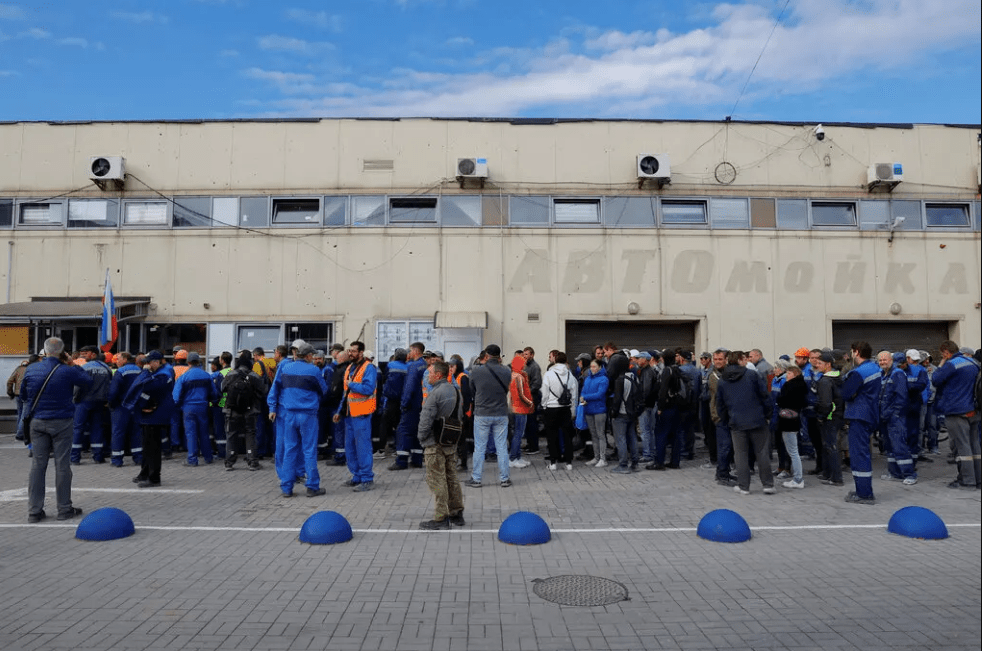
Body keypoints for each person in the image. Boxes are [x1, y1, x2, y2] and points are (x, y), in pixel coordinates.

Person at [22, 337, 92, 523]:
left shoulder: (31, 369)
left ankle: (34, 511)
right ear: (62, 352)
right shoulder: (67, 370)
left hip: (37, 421)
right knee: (62, 465)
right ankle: (64, 509)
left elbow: (23, 395)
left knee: (38, 465)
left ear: (44, 351)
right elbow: (87, 381)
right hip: (62, 421)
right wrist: (71, 363)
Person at [269, 342, 329, 498]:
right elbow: (324, 390)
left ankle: (286, 487)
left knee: (289, 449)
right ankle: (312, 486)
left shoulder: (285, 368)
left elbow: (276, 388)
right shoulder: (314, 370)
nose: (313, 358)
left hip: (288, 414)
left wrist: (272, 407)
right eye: (312, 355)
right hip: (308, 415)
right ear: (308, 356)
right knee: (309, 450)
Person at [715, 350, 775, 495]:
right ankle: (767, 485)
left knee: (740, 455)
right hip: (757, 419)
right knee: (762, 453)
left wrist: (726, 419)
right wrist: (768, 414)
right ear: (740, 360)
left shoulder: (722, 379)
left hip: (736, 421)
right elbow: (765, 396)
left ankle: (744, 486)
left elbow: (719, 404)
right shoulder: (752, 375)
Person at [417, 360, 466, 529]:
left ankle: (441, 518)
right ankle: (456, 512)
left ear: (438, 375)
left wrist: (422, 438)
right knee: (452, 477)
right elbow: (460, 416)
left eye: (430, 373)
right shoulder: (456, 391)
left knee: (437, 480)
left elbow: (425, 420)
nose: (428, 377)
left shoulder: (435, 394)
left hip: (434, 442)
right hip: (450, 441)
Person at [931, 340, 981, 489]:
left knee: (962, 446)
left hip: (956, 410)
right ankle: (978, 479)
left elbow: (935, 380)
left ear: (946, 352)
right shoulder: (973, 362)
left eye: (942, 354)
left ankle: (967, 481)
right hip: (974, 409)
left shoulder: (951, 364)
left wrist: (941, 363)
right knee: (975, 446)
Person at [124, 350, 175, 488]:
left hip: (156, 414)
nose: (146, 365)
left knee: (152, 448)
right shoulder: (159, 372)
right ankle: (145, 473)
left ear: (156, 362)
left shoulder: (163, 374)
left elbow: (145, 386)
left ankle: (154, 478)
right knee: (147, 446)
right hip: (151, 414)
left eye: (148, 363)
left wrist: (145, 372)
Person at [465, 344, 513, 488]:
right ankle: (505, 479)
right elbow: (507, 388)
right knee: (502, 447)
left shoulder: (476, 371)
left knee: (479, 447)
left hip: (482, 413)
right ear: (499, 356)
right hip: (501, 412)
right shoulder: (507, 371)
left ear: (486, 355)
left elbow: (472, 390)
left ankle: (476, 479)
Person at [840, 340, 881, 504]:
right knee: (863, 452)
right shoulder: (874, 368)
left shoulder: (858, 372)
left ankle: (864, 494)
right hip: (870, 414)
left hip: (859, 415)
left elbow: (845, 393)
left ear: (856, 352)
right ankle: (862, 490)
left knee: (858, 455)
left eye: (852, 351)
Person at [334, 341, 378, 492]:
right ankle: (357, 476)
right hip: (350, 414)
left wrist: (351, 384)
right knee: (350, 448)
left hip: (362, 414)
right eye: (349, 350)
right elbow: (346, 394)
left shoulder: (368, 368)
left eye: (353, 351)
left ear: (361, 353)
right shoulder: (349, 367)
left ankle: (367, 478)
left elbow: (368, 388)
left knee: (363, 447)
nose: (350, 353)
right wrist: (339, 411)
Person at [221, 351, 267, 470]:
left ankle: (229, 462)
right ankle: (252, 462)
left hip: (232, 410)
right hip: (250, 410)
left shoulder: (230, 374)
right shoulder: (254, 376)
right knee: (250, 434)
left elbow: (222, 388)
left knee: (231, 435)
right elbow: (263, 391)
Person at [172, 351, 219, 466]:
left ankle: (192, 460)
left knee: (191, 433)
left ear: (188, 362)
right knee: (204, 432)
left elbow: (176, 396)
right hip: (203, 406)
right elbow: (214, 393)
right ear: (198, 361)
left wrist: (178, 405)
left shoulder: (184, 377)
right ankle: (208, 457)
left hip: (188, 407)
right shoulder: (206, 375)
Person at [877, 351, 916, 485]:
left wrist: (895, 413)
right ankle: (894, 473)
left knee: (899, 445)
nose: (883, 362)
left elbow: (902, 397)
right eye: (880, 360)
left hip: (895, 417)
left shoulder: (897, 374)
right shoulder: (883, 374)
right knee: (890, 446)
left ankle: (909, 474)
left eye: (885, 360)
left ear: (891, 360)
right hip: (885, 416)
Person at [70, 344, 112, 464]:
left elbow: (77, 387)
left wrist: (75, 399)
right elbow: (110, 386)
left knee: (78, 428)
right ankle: (98, 456)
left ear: (93, 354)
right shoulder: (106, 368)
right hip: (100, 402)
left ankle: (75, 457)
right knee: (97, 428)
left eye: (85, 353)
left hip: (83, 401)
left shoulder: (84, 367)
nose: (83, 356)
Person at [392, 342, 426, 470]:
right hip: (421, 404)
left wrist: (404, 403)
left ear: (416, 351)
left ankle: (401, 461)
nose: (408, 353)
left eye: (410, 351)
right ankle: (417, 459)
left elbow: (409, 387)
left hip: (412, 404)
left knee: (403, 430)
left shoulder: (413, 366)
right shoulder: (424, 365)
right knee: (417, 431)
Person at [813, 349, 844, 486]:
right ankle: (828, 473)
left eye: (820, 363)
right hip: (837, 416)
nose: (817, 365)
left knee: (830, 446)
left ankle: (836, 477)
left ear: (828, 365)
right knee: (830, 446)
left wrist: (821, 416)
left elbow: (825, 403)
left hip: (830, 417)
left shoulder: (825, 381)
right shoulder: (838, 377)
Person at [107, 351, 143, 467]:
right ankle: (138, 457)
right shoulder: (140, 370)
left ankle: (117, 459)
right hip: (136, 406)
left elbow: (113, 391)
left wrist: (111, 404)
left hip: (121, 406)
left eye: (118, 359)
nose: (116, 361)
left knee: (118, 432)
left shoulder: (121, 372)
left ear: (125, 359)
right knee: (136, 432)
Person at [776, 365, 807, 488]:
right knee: (794, 450)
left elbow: (781, 400)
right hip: (795, 419)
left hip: (787, 421)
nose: (786, 376)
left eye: (788, 373)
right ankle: (798, 478)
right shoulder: (802, 385)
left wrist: (779, 401)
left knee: (793, 451)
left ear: (794, 374)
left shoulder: (789, 386)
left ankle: (798, 479)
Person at [580, 358, 609, 468]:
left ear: (600, 367)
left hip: (599, 410)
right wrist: (582, 398)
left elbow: (600, 394)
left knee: (600, 434)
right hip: (589, 410)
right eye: (591, 366)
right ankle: (596, 457)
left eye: (594, 367)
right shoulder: (588, 378)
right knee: (593, 434)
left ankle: (603, 458)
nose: (592, 369)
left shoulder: (604, 379)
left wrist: (585, 397)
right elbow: (583, 391)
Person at [507, 354, 534, 469]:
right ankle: (513, 458)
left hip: (513, 407)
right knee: (519, 434)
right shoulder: (519, 377)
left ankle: (517, 457)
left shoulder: (512, 375)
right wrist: (530, 403)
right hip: (520, 408)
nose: (524, 365)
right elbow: (521, 394)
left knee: (516, 434)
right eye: (523, 363)